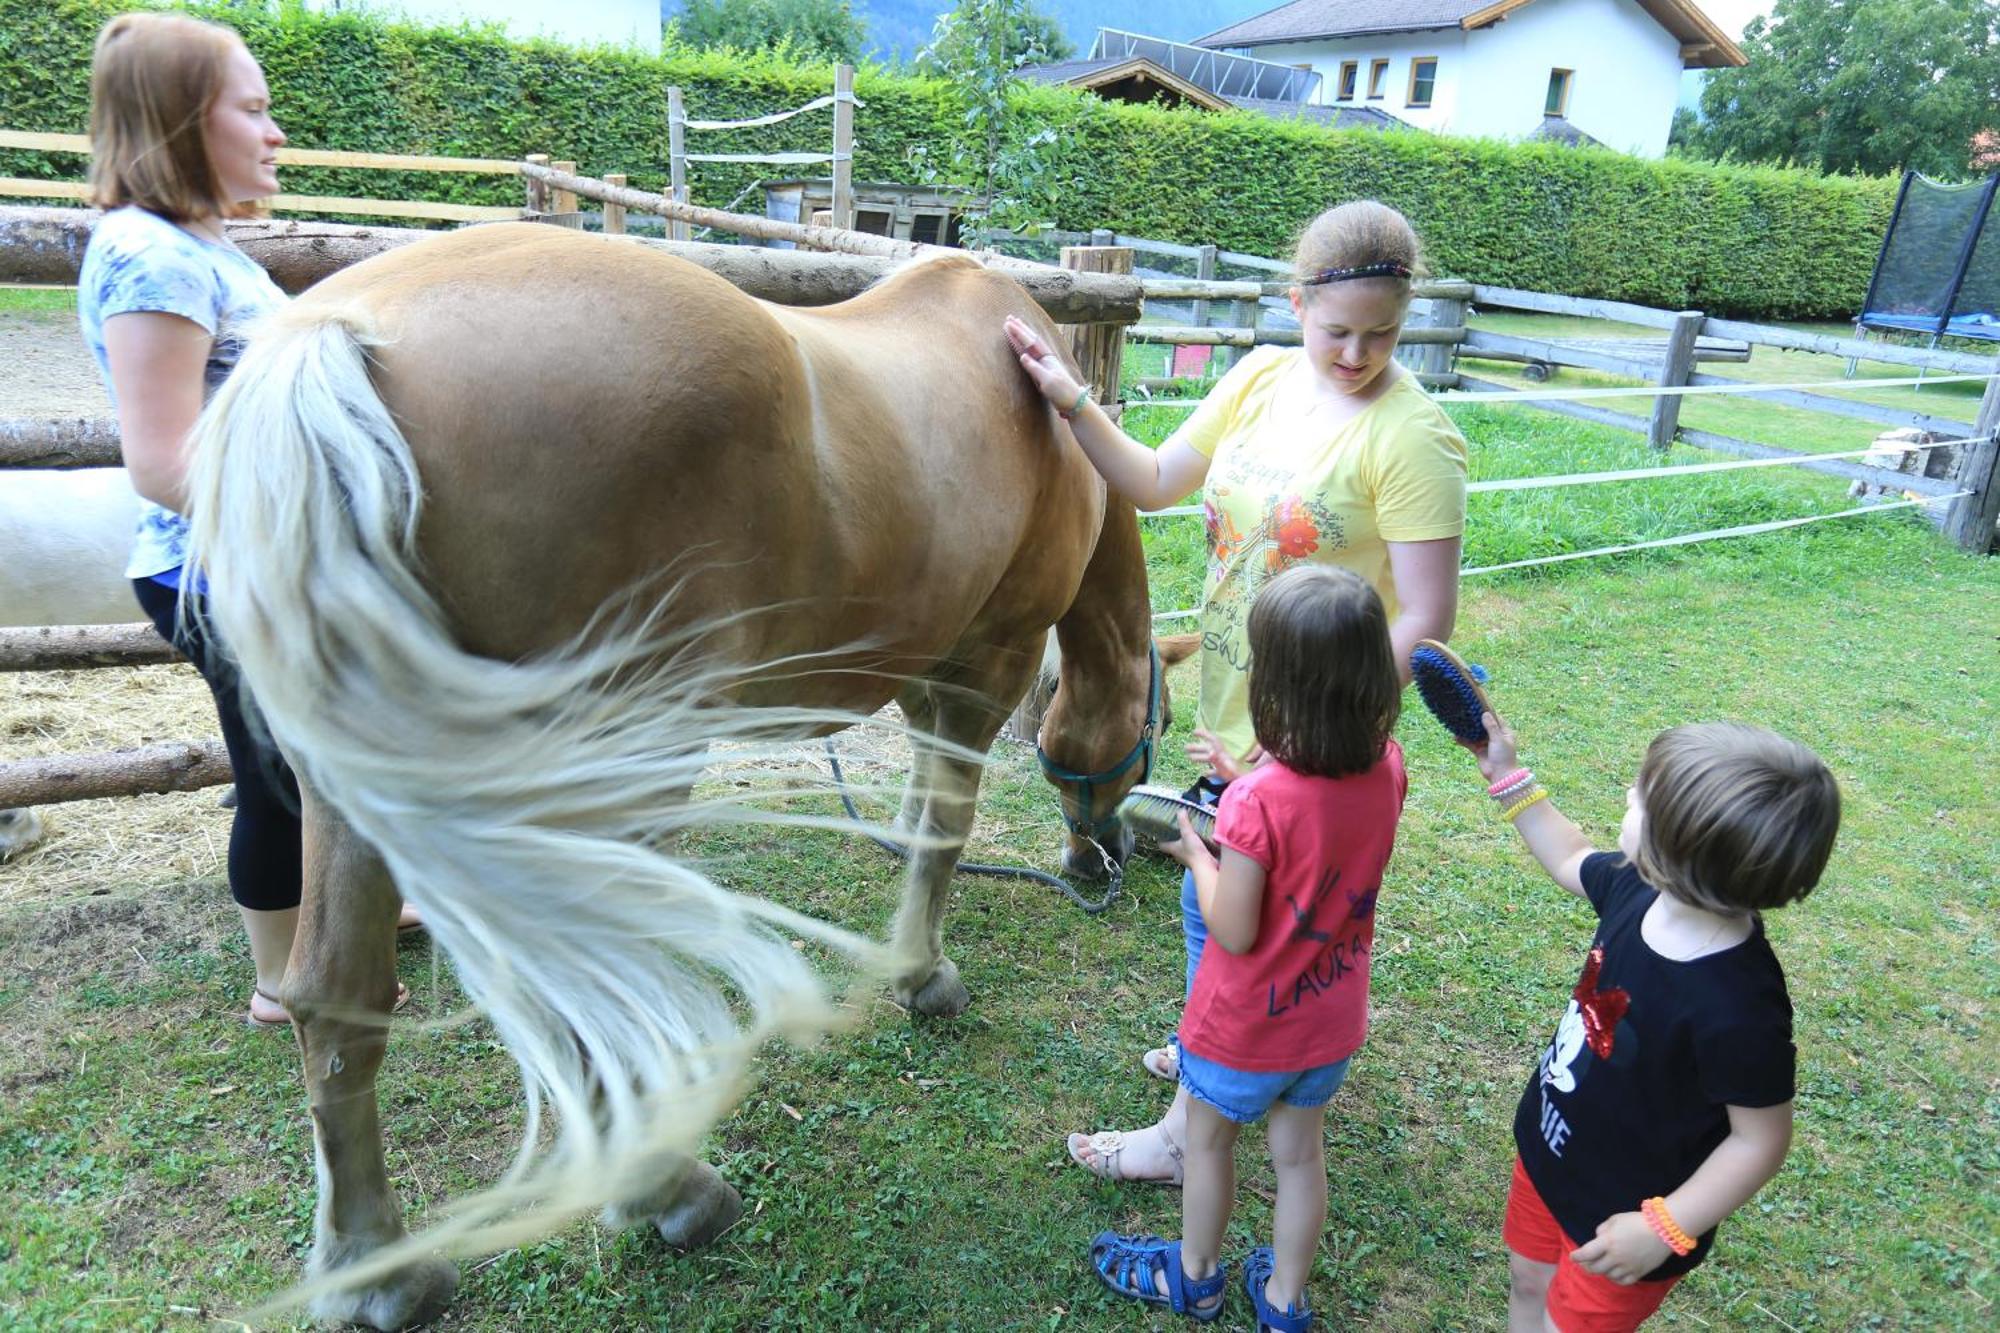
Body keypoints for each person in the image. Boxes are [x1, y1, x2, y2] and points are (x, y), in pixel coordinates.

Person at [1005, 200, 1468, 1184]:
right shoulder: (1260, 376)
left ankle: (1185, 1133)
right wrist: (1068, 399)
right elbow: (1159, 477)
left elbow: (1424, 618)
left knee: (1228, 917)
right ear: (1295, 303)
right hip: (1238, 719)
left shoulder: (1413, 436)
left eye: (1380, 334)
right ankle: (1215, 1052)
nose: (1355, 353)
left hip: (1312, 743)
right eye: (1334, 329)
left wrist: (1303, 744)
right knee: (1230, 911)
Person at [77, 11, 411, 1030]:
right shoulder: (154, 259)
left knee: (325, 761)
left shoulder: (202, 248)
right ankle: (280, 980)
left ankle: (344, 919)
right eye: (253, 109)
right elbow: (165, 462)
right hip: (225, 571)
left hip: (261, 561)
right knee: (275, 779)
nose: (275, 134)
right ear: (182, 121)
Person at [1086, 565, 1406, 1331]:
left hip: (1242, 1031)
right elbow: (1319, 833)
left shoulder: (1260, 805)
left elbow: (1234, 926)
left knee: (1207, 1144)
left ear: (1277, 687)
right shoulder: (1386, 766)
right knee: (1299, 1157)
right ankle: (1286, 1303)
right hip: (1327, 1023)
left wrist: (1200, 852)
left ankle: (1194, 1277)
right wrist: (1245, 782)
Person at [1464, 710, 1837, 1330]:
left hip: (1628, 1217)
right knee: (1528, 1282)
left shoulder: (1739, 1008)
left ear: (1682, 851)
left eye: (1642, 798)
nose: (1627, 795)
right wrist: (1507, 775)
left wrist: (1665, 1227)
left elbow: (1760, 1140)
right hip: (1548, 1155)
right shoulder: (1641, 889)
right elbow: (1570, 856)